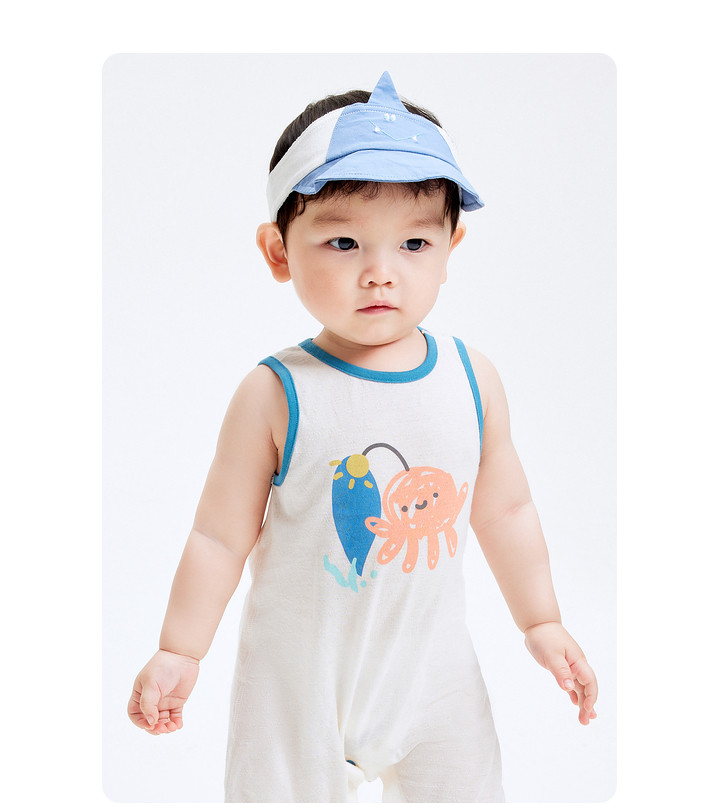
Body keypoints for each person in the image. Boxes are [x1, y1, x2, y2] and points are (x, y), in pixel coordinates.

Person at [127, 71, 598, 802]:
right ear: (278, 252)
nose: (381, 273)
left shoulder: (472, 379)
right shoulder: (275, 392)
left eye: (414, 242)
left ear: (450, 247)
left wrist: (541, 619)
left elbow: (506, 510)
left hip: (435, 676)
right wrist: (180, 650)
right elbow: (218, 537)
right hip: (298, 686)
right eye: (344, 241)